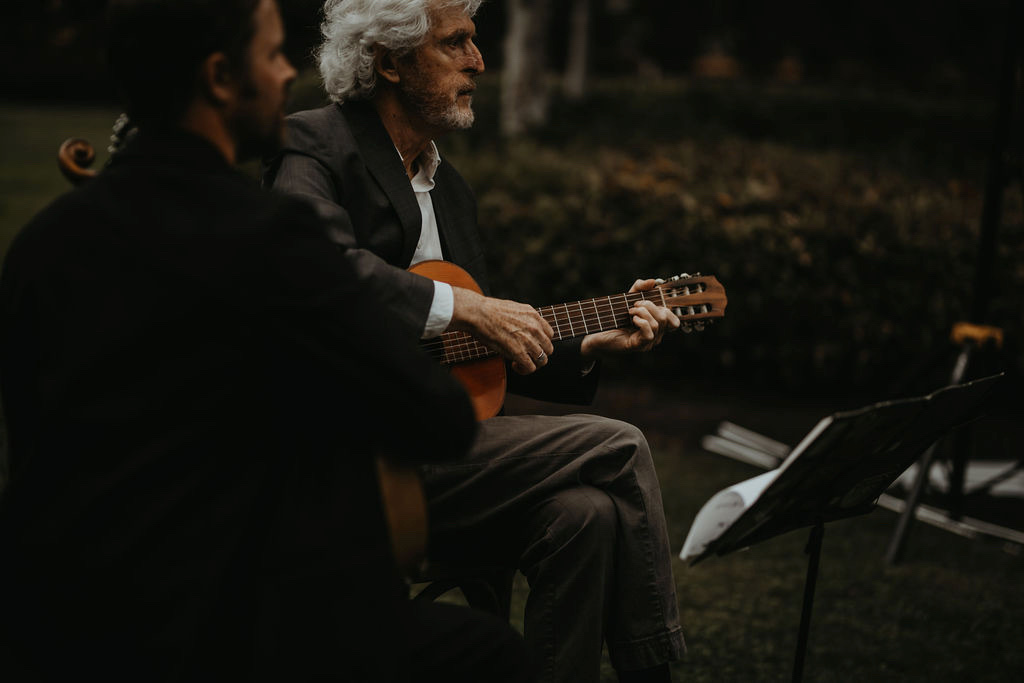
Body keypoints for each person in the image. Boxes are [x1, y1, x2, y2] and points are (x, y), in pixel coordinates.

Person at [0, 0, 532, 680]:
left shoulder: (42, 244)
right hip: (229, 620)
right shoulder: (273, 240)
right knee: (491, 654)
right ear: (221, 77)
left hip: (56, 620)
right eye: (274, 55)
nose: (288, 75)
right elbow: (437, 417)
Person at [263, 1, 687, 681]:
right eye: (455, 43)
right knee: (620, 443)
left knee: (586, 515)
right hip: (351, 458)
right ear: (391, 63)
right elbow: (313, 265)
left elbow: (475, 349)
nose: (479, 62)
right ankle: (655, 668)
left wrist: (589, 345)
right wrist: (462, 303)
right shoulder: (314, 143)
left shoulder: (450, 190)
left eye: (475, 42)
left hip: (442, 456)